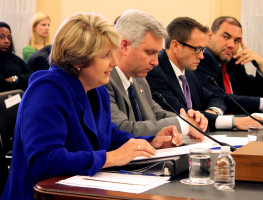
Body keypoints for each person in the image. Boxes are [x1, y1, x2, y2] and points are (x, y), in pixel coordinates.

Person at [0, 12, 182, 200]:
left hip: (80, 191)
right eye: (106, 55)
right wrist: (109, 158)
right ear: (79, 58)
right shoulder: (47, 91)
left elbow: (109, 134)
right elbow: (44, 161)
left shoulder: (96, 89)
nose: (114, 62)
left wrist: (150, 142)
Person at [105, 9, 207, 140]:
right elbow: (123, 129)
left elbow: (156, 114)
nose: (156, 62)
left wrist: (187, 119)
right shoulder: (104, 80)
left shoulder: (139, 80)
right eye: (150, 52)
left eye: (157, 53)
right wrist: (184, 125)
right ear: (125, 45)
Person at [146, 17, 263, 131]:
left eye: (202, 49)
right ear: (176, 46)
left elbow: (215, 97)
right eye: (197, 49)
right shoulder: (155, 72)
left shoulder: (188, 72)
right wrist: (235, 122)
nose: (201, 56)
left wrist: (213, 111)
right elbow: (181, 114)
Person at [194, 16, 263, 114]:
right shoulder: (202, 59)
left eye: (236, 41)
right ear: (210, 36)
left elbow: (262, 95)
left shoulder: (233, 63)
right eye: (226, 37)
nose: (231, 45)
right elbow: (218, 97)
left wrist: (261, 65)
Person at [0, 22, 33, 92]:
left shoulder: (14, 59)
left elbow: (32, 75)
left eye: (9, 38)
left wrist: (17, 78)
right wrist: (22, 83)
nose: (7, 41)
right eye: (2, 37)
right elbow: (3, 85)